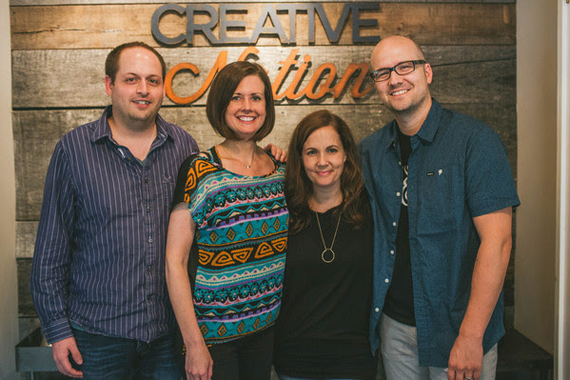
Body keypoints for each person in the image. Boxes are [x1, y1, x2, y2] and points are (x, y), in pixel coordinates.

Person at [30, 42, 200, 379]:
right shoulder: (73, 150)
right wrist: (58, 329)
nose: (143, 90)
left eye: (153, 81)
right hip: (97, 337)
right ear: (110, 85)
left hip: (166, 336)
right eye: (131, 79)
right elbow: (51, 249)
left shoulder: (184, 147)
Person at [360, 35, 520, 380]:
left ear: (427, 72)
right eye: (383, 72)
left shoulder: (475, 142)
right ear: (376, 85)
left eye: (405, 66)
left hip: (458, 328)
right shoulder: (371, 152)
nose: (395, 78)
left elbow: (499, 242)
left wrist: (471, 336)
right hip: (395, 327)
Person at [165, 61, 288, 380]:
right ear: (221, 104)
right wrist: (193, 344)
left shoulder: (280, 169)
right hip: (212, 339)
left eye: (256, 98)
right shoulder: (199, 170)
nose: (247, 106)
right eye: (236, 97)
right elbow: (174, 262)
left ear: (267, 106)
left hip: (265, 332)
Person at [273, 110, 378, 380]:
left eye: (331, 150)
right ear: (299, 158)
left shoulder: (371, 208)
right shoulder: (283, 211)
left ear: (345, 155)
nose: (322, 162)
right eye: (311, 152)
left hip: (353, 361)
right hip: (295, 361)